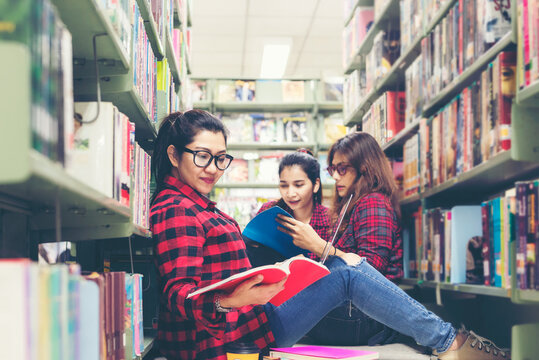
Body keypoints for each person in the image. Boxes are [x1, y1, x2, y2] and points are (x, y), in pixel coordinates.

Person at [150, 110, 509, 360]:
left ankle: (449, 340)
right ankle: (451, 341)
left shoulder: (195, 203)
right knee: (349, 272)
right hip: (231, 336)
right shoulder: (176, 208)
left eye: (221, 158)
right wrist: (230, 299)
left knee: (346, 270)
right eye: (202, 156)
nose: (213, 168)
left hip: (246, 320)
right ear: (173, 154)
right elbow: (179, 293)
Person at [256, 146, 405, 346]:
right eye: (284, 185)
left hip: (327, 303)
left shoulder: (332, 219)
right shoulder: (271, 212)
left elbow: (358, 272)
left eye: (299, 185)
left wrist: (318, 248)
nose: (290, 193)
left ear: (315, 185)